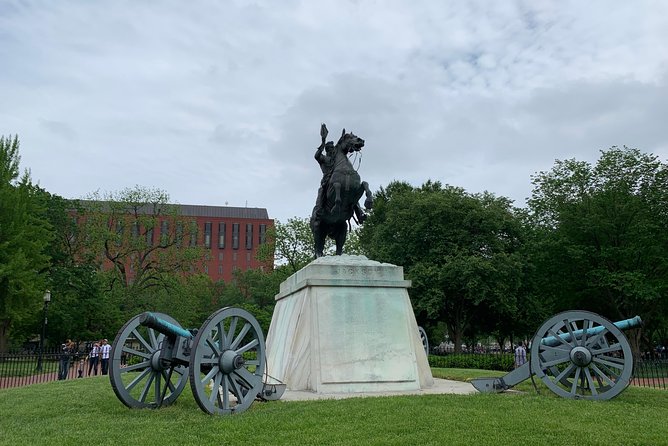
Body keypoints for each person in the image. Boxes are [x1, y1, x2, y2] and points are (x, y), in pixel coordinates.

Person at [313, 123, 336, 221]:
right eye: (331, 148)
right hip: (327, 179)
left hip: (338, 178)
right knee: (321, 191)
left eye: (333, 148)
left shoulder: (337, 160)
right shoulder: (323, 158)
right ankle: (319, 209)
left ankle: (359, 211)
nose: (333, 150)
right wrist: (323, 141)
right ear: (327, 150)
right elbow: (316, 155)